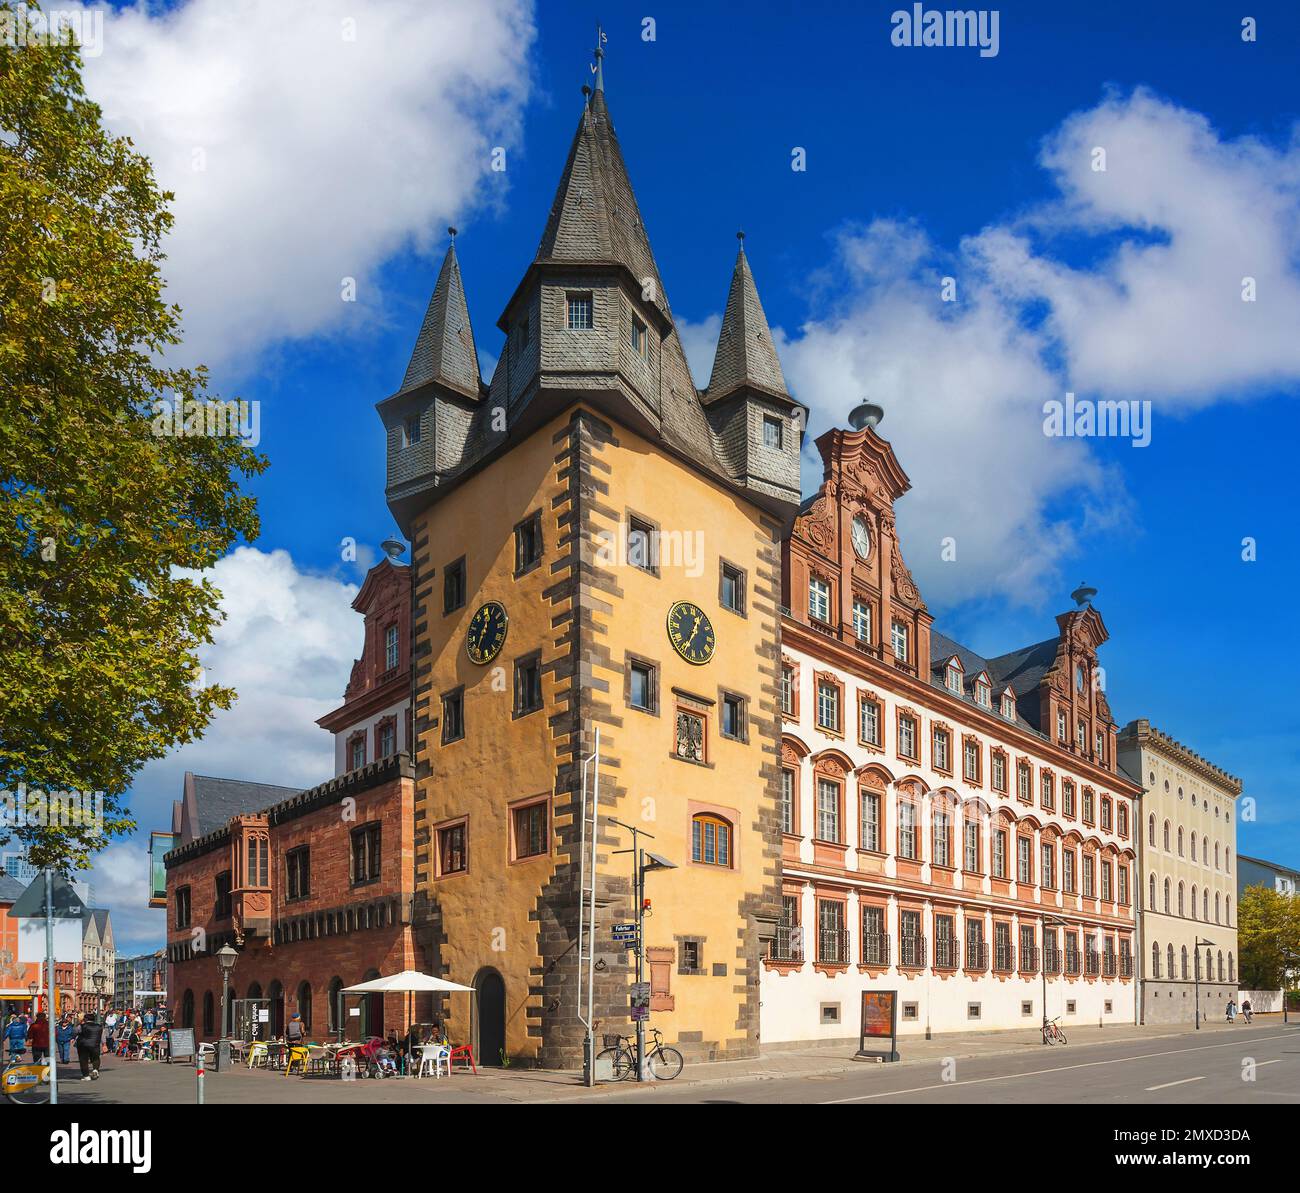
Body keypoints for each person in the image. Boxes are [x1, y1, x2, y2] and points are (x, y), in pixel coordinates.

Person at [75, 1013, 103, 1081]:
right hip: (95, 1045)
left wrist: (79, 1023)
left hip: (83, 1045)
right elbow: (103, 1036)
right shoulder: (99, 1026)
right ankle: (95, 1070)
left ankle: (86, 1076)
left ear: (85, 1019)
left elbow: (75, 1031)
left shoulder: (82, 1026)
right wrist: (104, 1044)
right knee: (95, 1058)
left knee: (83, 1060)